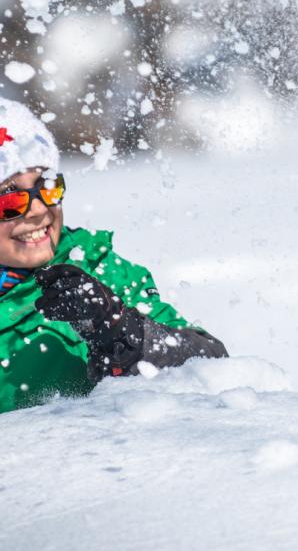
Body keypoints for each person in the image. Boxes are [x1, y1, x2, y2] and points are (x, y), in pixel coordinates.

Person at [0, 98, 228, 413]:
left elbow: (213, 365)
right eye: (9, 201)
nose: (39, 210)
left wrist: (120, 327)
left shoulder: (96, 271)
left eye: (48, 187)